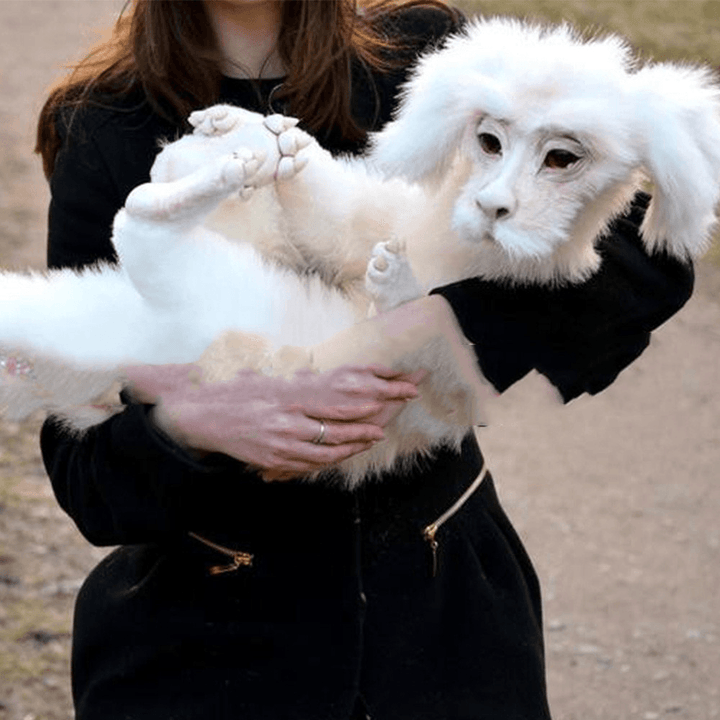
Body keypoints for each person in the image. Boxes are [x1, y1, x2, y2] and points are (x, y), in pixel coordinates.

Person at [35, 1, 694, 718]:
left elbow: (647, 257)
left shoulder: (426, 52)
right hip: (206, 642)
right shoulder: (100, 122)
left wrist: (431, 332)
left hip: (446, 621)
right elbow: (84, 461)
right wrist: (191, 424)